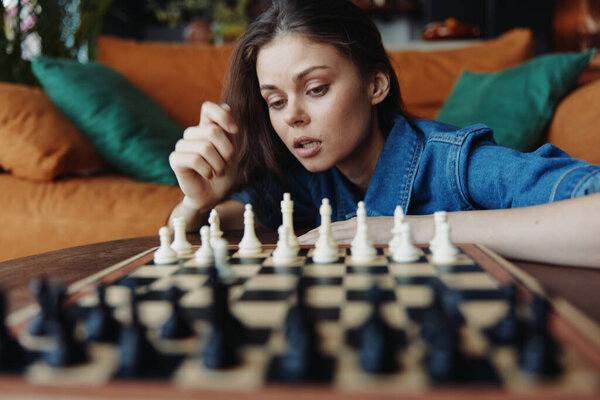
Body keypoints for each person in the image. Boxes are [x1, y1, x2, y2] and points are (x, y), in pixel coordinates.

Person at [168, 0, 600, 267]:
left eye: (315, 89)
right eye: (275, 101)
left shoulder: (456, 164)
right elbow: (205, 227)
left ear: (376, 85)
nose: (292, 117)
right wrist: (198, 201)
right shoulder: (311, 178)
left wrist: (403, 230)